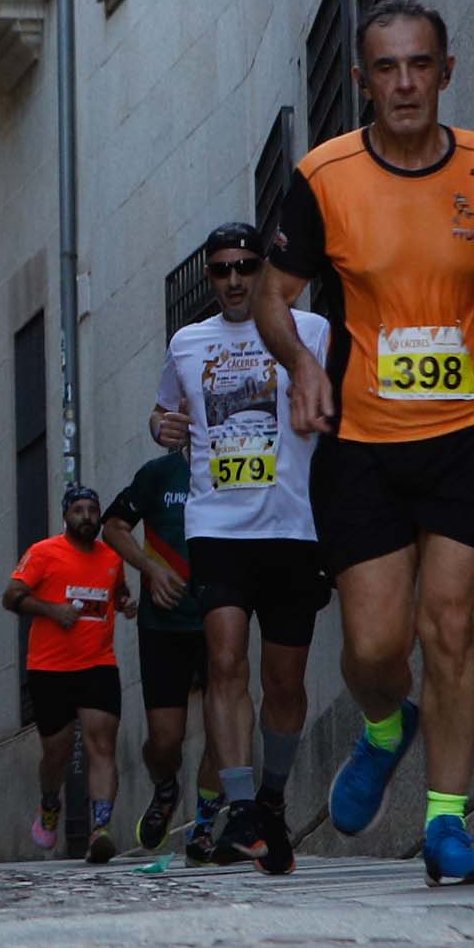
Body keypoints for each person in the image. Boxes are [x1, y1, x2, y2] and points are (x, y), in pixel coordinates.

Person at [252, 0, 474, 886]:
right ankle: (387, 727)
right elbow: (272, 294)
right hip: (360, 441)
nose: (403, 83)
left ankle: (445, 823)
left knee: (452, 625)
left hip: (469, 430)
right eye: (386, 68)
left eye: (419, 65)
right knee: (372, 648)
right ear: (361, 83)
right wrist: (302, 371)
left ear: (445, 71)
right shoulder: (324, 177)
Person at [151, 220, 331, 877]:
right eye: (221, 269)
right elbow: (162, 410)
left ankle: (272, 798)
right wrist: (160, 424)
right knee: (224, 660)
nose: (233, 280)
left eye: (245, 266)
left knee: (282, 681)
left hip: (291, 526)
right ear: (209, 276)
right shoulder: (187, 342)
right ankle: (239, 807)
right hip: (218, 527)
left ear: (263, 269)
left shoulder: (309, 332)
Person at [99, 449, 224, 863]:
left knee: (223, 729)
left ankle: (204, 827)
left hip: (220, 617)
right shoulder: (158, 473)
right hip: (164, 624)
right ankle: (166, 785)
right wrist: (148, 568)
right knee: (165, 741)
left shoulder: (237, 462)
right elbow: (113, 526)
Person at [4, 487, 134, 863]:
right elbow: (10, 596)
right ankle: (49, 805)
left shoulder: (112, 557)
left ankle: (101, 829)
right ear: (66, 516)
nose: (87, 516)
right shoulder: (43, 552)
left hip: (98, 664)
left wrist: (125, 603)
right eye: (78, 510)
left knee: (102, 746)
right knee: (56, 754)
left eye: (92, 510)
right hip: (49, 668)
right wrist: (50, 610)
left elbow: (118, 591)